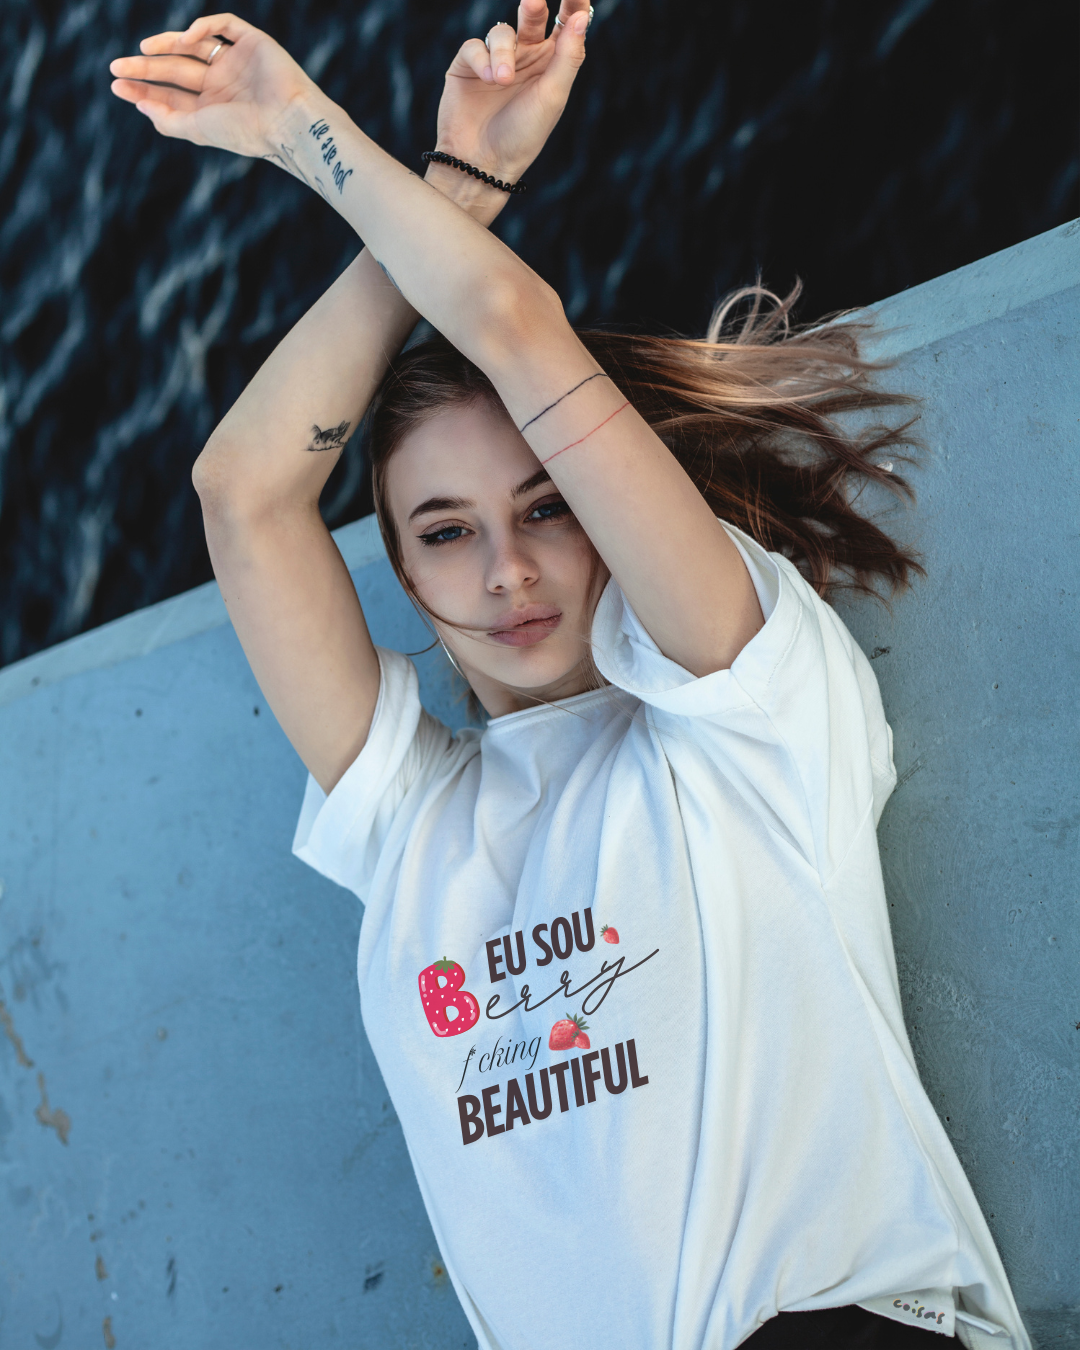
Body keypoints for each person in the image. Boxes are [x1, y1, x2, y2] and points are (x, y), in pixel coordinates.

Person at [109, 7, 1030, 1348]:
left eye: (546, 507)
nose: (506, 571)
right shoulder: (407, 819)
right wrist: (450, 195)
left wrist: (313, 135)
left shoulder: (746, 707)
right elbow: (243, 493)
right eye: (444, 531)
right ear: (408, 585)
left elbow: (513, 324)